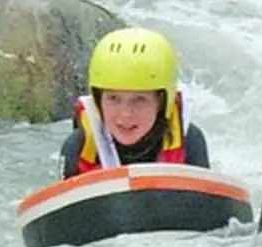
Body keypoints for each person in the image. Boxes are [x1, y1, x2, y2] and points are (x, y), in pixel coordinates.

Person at [59, 27, 211, 179]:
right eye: (113, 98)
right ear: (98, 101)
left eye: (140, 100)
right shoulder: (78, 147)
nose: (125, 114)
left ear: (162, 102)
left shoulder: (190, 141)